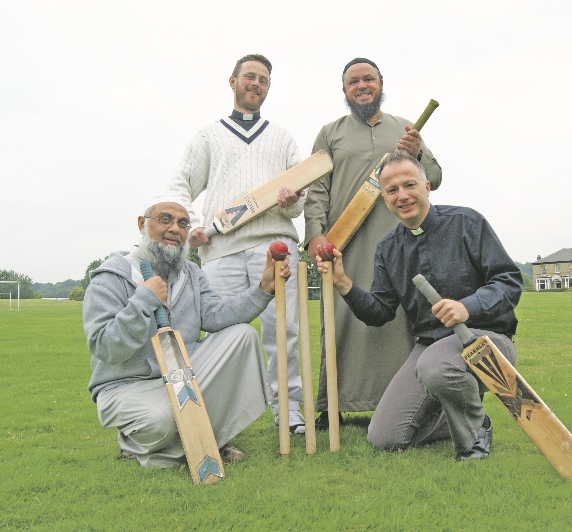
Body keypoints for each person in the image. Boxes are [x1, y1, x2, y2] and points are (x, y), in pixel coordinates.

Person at [316, 151, 523, 460]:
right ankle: (462, 417)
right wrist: (344, 284)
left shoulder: (467, 222)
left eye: (409, 185)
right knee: (384, 437)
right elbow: (380, 312)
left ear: (427, 186)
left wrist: (467, 307)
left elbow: (509, 281)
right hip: (430, 348)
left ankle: (474, 434)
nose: (402, 195)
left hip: (486, 341)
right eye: (392, 190)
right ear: (385, 199)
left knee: (434, 364)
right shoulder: (388, 249)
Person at [83, 195, 289, 467]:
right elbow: (106, 348)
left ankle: (208, 437)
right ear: (142, 224)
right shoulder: (110, 278)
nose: (175, 229)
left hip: (182, 375)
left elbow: (216, 315)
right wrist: (143, 301)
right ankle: (136, 443)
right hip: (126, 385)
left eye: (183, 224)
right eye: (165, 220)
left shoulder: (190, 274)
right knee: (163, 421)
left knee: (243, 336)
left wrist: (263, 289)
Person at [167, 54, 308, 434]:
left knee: (284, 331)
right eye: (250, 76)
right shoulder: (208, 136)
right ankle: (217, 416)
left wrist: (293, 199)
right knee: (221, 335)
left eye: (263, 79)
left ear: (268, 87)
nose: (256, 84)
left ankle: (289, 413)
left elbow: (302, 199)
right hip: (220, 248)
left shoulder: (281, 137)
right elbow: (180, 186)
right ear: (232, 82)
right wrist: (193, 224)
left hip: (274, 244)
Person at [304, 57, 443, 424]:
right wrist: (316, 235)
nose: (362, 85)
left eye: (369, 79)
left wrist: (418, 151)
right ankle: (335, 404)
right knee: (344, 318)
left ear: (381, 83)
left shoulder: (406, 130)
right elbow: (317, 190)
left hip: (401, 242)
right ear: (345, 90)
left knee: (402, 322)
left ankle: (408, 403)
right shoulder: (329, 133)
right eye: (354, 81)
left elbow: (434, 178)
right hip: (346, 242)